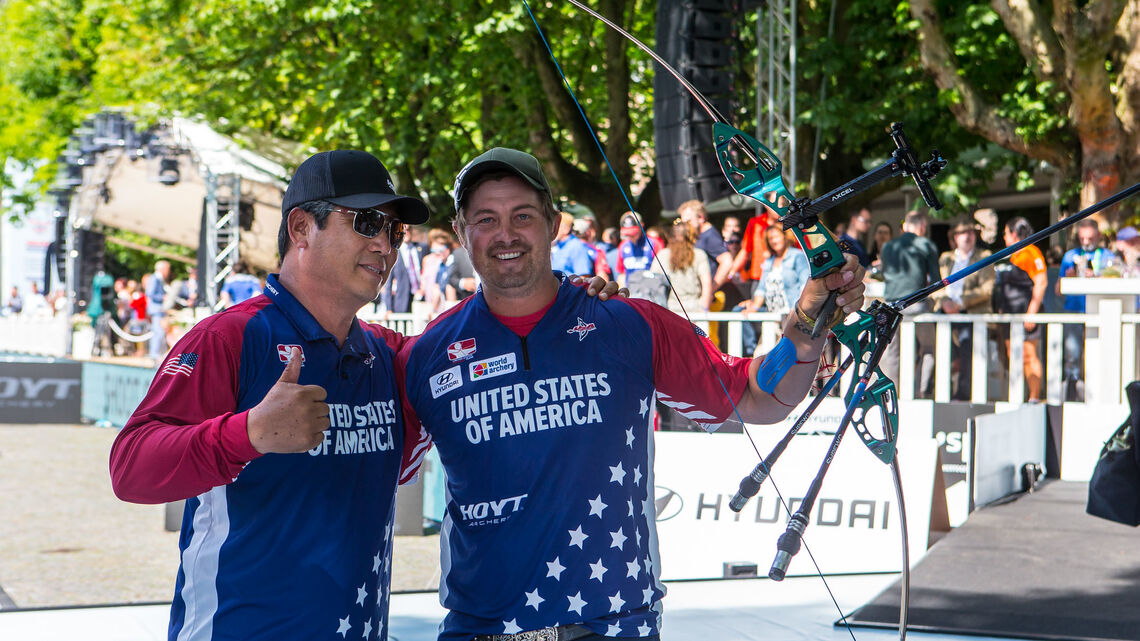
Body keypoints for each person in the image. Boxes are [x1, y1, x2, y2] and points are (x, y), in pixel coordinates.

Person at [396, 147, 865, 641]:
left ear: (555, 223)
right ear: (461, 230)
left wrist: (808, 321)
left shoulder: (627, 322)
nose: (506, 234)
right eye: (486, 219)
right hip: (481, 630)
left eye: (523, 216)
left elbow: (757, 396)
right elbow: (360, 474)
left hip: (613, 626)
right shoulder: (427, 353)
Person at [109, 149, 432, 641]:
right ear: (301, 227)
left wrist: (579, 302)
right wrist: (248, 433)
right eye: (367, 222)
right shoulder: (229, 337)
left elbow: (482, 351)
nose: (385, 245)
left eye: (395, 230)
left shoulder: (388, 354)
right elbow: (130, 470)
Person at [879, 210, 940, 397]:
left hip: (891, 305)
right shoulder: (926, 245)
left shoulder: (888, 247)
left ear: (905, 227)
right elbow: (936, 280)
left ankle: (891, 394)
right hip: (917, 305)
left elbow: (885, 275)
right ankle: (919, 390)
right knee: (929, 347)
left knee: (891, 352)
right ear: (922, 227)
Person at [930, 219, 993, 400]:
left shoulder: (984, 256)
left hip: (970, 313)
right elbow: (936, 286)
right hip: (945, 312)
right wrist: (944, 301)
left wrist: (960, 304)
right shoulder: (945, 258)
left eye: (971, 232)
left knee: (968, 351)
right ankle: (941, 391)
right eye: (962, 232)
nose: (967, 236)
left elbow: (986, 290)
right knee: (942, 351)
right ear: (954, 238)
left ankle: (963, 395)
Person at [992, 216, 1047, 403]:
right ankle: (1017, 395)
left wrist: (1032, 311)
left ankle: (1034, 396)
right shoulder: (1012, 255)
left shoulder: (1031, 252)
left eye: (1005, 233)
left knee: (1029, 354)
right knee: (1012, 354)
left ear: (1014, 234)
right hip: (1010, 314)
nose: (1004, 237)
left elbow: (1041, 281)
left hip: (1026, 313)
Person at [738, 226, 811, 356]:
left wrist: (797, 308)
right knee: (761, 354)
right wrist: (753, 307)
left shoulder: (797, 256)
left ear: (785, 236)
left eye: (776, 236)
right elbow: (761, 289)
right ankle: (749, 349)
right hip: (772, 315)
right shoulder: (769, 261)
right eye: (770, 238)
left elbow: (805, 284)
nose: (774, 241)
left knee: (790, 356)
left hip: (791, 316)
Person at [650, 220, 712, 314]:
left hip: (668, 309)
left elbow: (652, 282)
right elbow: (707, 284)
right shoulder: (699, 254)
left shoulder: (662, 255)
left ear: (671, 236)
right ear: (692, 236)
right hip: (694, 311)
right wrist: (704, 310)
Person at [677, 199, 732, 289]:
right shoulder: (701, 235)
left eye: (688, 221)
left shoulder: (709, 235)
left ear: (701, 218)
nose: (686, 226)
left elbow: (727, 261)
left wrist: (711, 289)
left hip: (710, 297)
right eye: (683, 223)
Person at [379, 233, 424, 315]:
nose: (407, 232)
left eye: (409, 229)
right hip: (401, 302)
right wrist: (388, 307)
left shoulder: (421, 248)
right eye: (404, 229)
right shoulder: (393, 252)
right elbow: (388, 283)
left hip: (420, 300)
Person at [552, 212, 597, 277]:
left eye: (555, 226)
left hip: (569, 286)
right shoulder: (558, 245)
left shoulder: (576, 246)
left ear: (566, 230)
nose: (552, 229)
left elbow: (584, 277)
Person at [146, 260, 171, 359]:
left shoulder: (158, 279)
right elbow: (150, 293)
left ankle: (156, 354)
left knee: (159, 332)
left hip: (158, 310)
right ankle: (154, 355)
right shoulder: (155, 279)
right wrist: (162, 297)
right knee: (158, 332)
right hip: (156, 309)